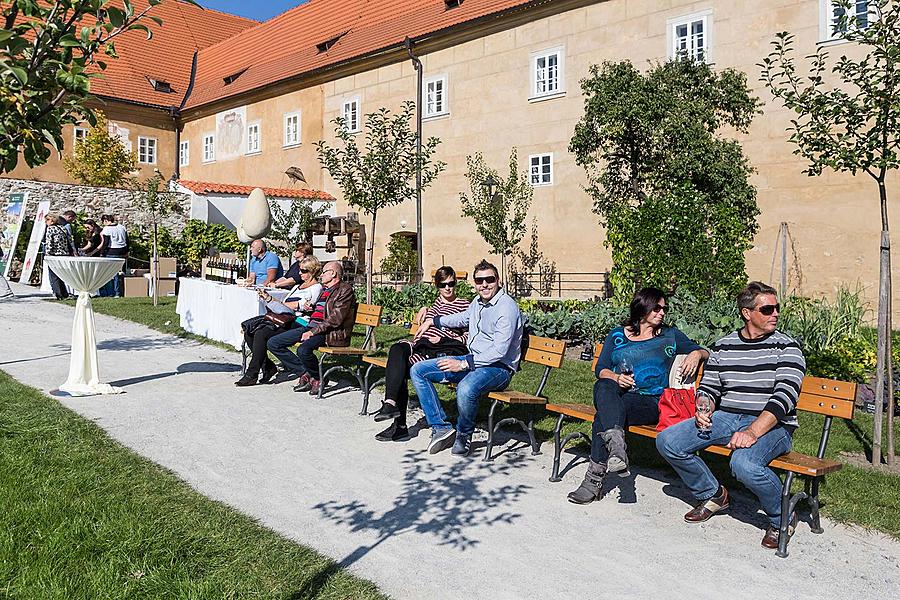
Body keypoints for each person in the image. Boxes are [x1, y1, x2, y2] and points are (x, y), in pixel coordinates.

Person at [656, 282, 806, 550]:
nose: (775, 314)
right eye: (767, 308)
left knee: (744, 463)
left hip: (773, 424)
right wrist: (703, 408)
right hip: (726, 417)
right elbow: (709, 387)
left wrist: (752, 431)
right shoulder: (725, 346)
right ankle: (713, 495)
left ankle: (781, 516)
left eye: (777, 308)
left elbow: (784, 398)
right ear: (747, 313)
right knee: (669, 441)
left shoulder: (787, 347)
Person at [567, 287, 708, 504]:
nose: (662, 312)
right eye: (657, 308)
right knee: (603, 385)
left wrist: (697, 353)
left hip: (652, 401)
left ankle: (594, 479)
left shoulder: (671, 336)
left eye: (664, 308)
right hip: (619, 393)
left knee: (602, 417)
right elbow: (601, 368)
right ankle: (615, 448)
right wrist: (616, 378)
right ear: (642, 308)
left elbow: (706, 351)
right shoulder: (617, 335)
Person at [410, 259, 524, 457]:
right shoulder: (478, 302)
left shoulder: (506, 307)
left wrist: (463, 363)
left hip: (499, 368)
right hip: (474, 359)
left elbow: (500, 351)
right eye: (479, 281)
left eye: (489, 279)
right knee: (419, 370)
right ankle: (441, 427)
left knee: (466, 387)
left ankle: (463, 434)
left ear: (498, 280)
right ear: (475, 283)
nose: (484, 284)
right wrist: (434, 320)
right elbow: (463, 318)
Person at [371, 266, 470, 442]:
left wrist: (444, 340)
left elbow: (469, 335)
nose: (447, 288)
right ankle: (390, 405)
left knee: (401, 368)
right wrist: (426, 308)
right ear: (437, 286)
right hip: (421, 346)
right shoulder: (436, 303)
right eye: (443, 285)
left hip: (439, 351)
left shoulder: (464, 305)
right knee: (396, 350)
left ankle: (399, 425)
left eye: (451, 283)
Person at [268, 260, 357, 396]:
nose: (321, 275)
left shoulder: (344, 290)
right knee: (274, 343)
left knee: (303, 350)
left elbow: (335, 319)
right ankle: (306, 373)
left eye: (324, 272)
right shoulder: (325, 289)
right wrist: (310, 310)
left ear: (333, 273)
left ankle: (318, 377)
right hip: (311, 326)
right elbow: (322, 310)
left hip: (329, 333)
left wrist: (312, 332)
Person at [236, 256, 323, 387]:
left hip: (300, 322)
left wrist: (279, 303)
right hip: (286, 319)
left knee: (261, 333)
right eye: (300, 270)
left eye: (304, 271)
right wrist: (270, 299)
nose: (300, 273)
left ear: (312, 271)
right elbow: (287, 306)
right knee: (250, 331)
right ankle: (268, 367)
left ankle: (252, 374)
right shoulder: (298, 286)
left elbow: (295, 306)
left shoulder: (316, 287)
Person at [43, 213, 76, 300]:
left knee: (54, 275)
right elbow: (70, 241)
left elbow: (49, 243)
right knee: (61, 275)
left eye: (47, 220)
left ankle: (58, 294)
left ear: (52, 220)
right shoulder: (63, 228)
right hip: (64, 254)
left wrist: (47, 254)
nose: (46, 222)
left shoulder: (50, 229)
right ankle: (64, 293)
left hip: (54, 255)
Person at [100, 214, 128, 297]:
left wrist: (102, 253)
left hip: (112, 251)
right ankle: (121, 291)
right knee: (121, 273)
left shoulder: (107, 229)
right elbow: (127, 239)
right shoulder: (121, 227)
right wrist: (127, 251)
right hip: (122, 250)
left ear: (106, 221)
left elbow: (106, 242)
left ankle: (115, 292)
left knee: (113, 273)